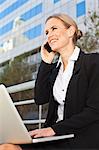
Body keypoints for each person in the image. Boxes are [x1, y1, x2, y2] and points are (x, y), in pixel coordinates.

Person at [0, 13, 99, 149]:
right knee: (7, 146)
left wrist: (53, 130)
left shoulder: (93, 62)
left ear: (70, 31)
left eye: (54, 29)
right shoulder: (54, 70)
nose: (49, 35)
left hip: (80, 137)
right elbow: (40, 98)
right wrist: (46, 62)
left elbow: (94, 110)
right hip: (55, 137)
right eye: (47, 32)